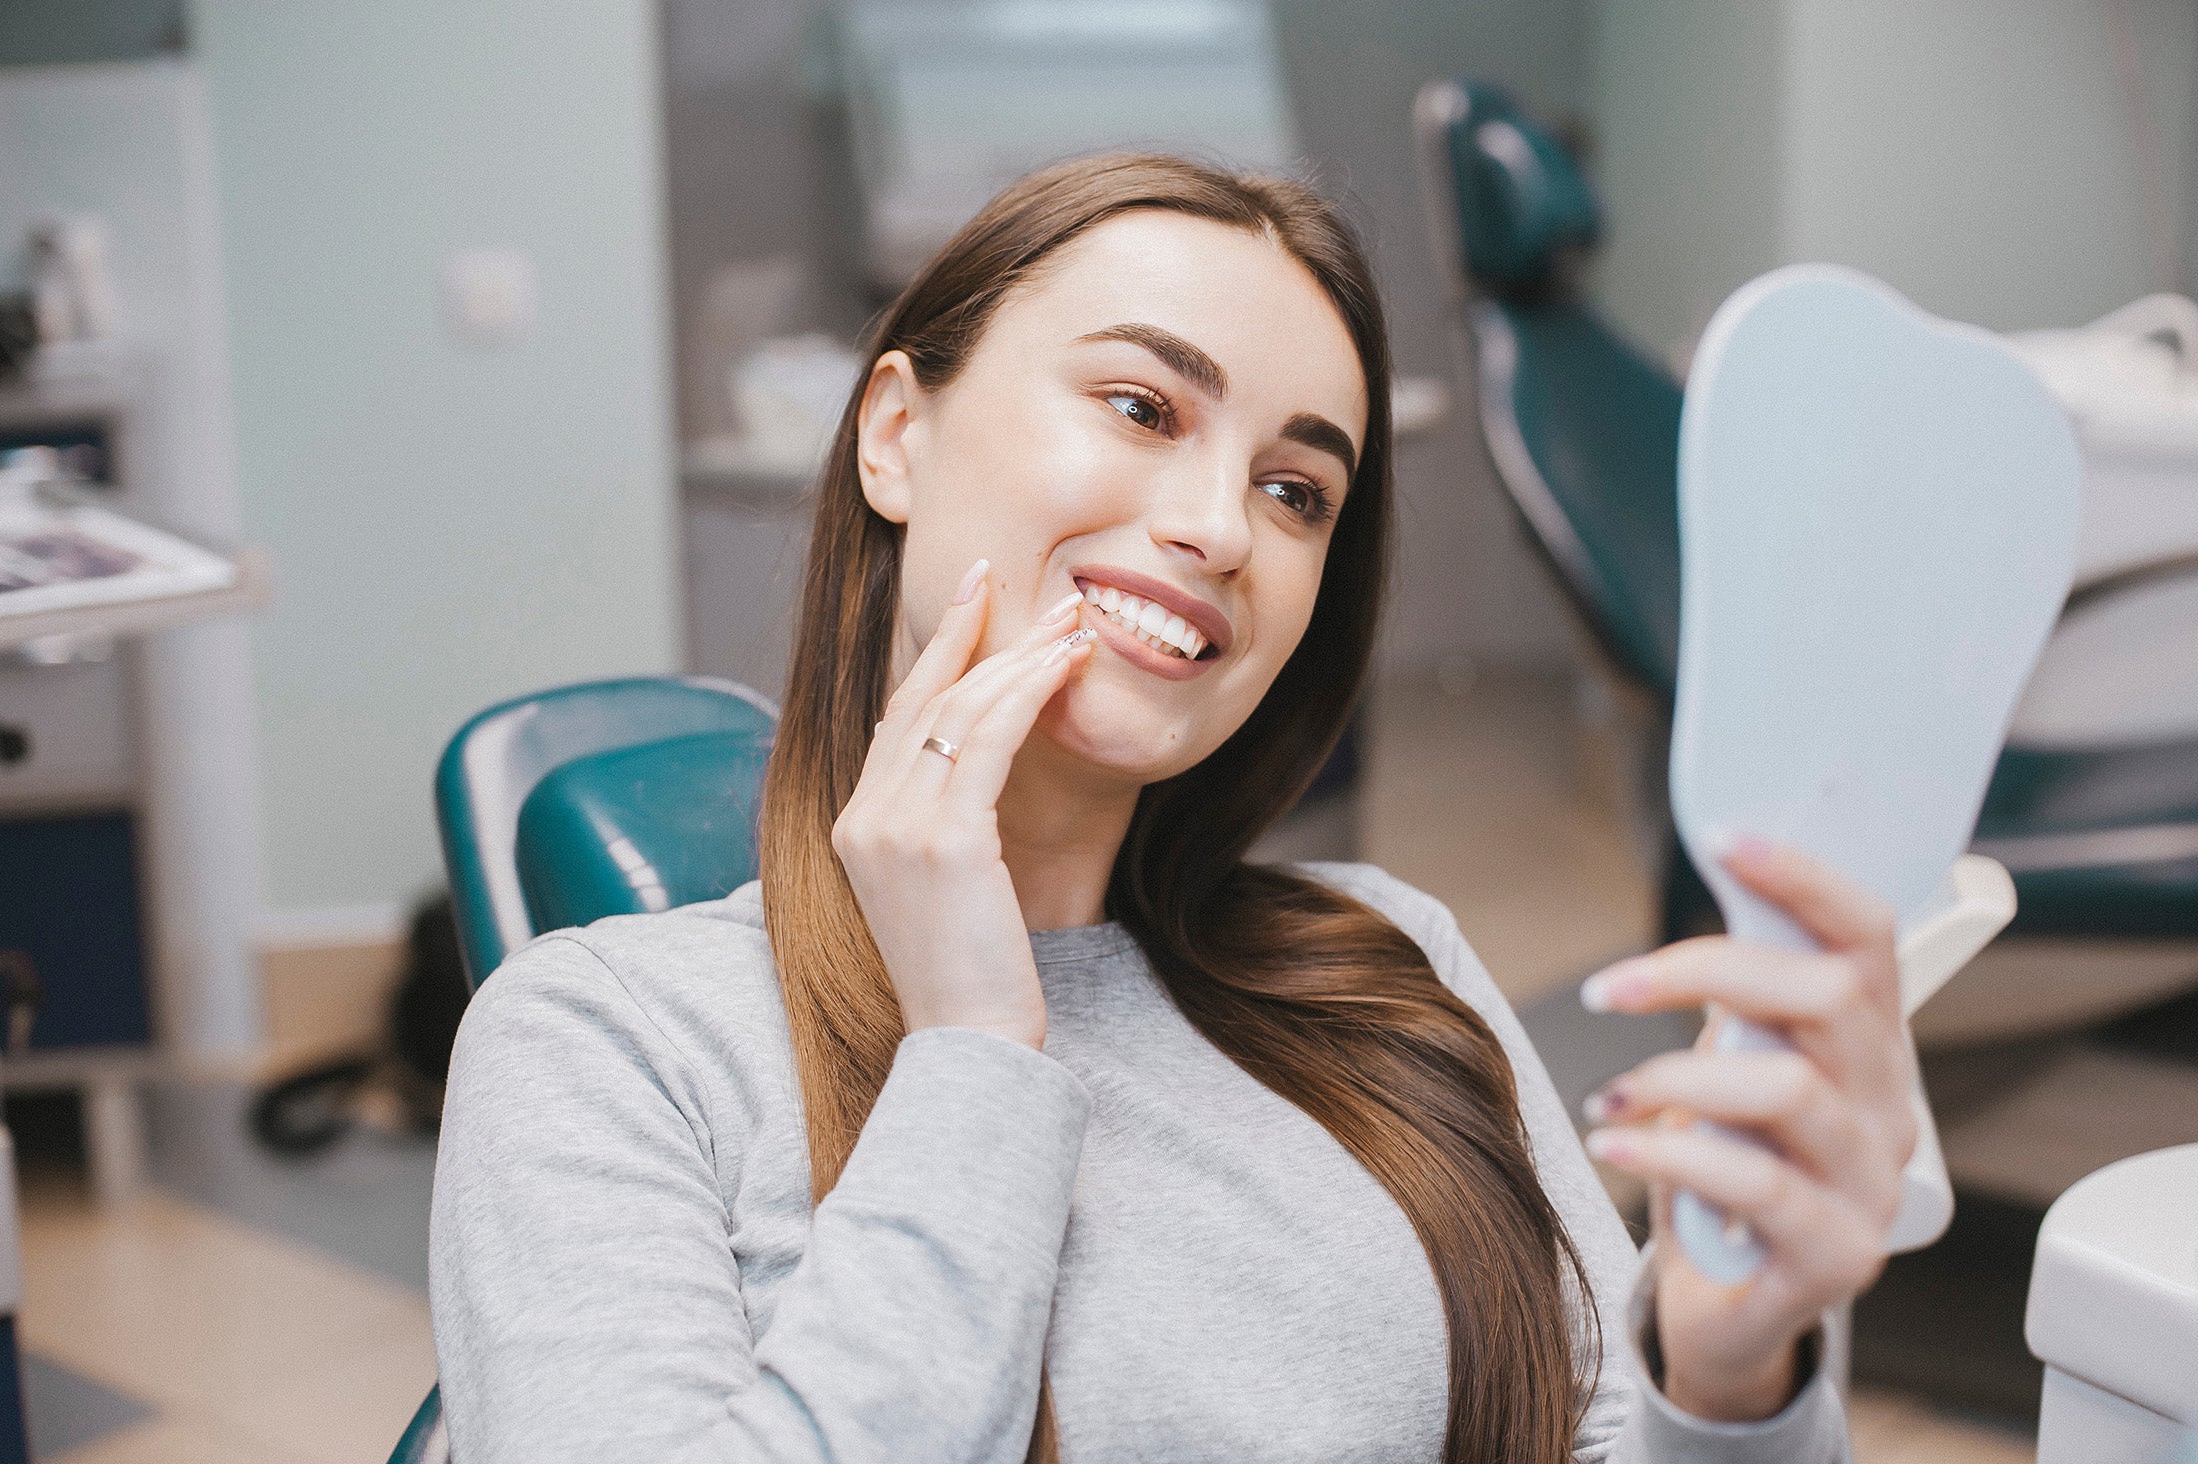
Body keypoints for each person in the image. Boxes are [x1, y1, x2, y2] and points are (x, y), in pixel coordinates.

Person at [430, 155, 1914, 1463]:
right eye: (1143, 407)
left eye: (1295, 493)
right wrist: (969, 1052)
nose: (1218, 528)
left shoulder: (1395, 966)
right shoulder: (608, 1041)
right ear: (894, 433)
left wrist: (1726, 1384)